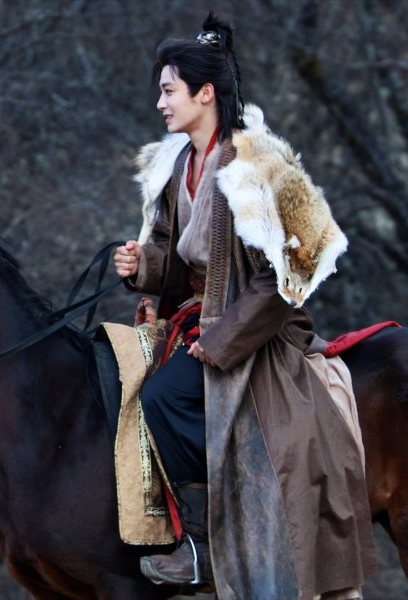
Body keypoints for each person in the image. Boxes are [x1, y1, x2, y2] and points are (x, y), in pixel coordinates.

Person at [114, 12, 377, 599]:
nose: (160, 103)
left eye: (169, 90)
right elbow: (177, 257)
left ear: (205, 93)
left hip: (256, 330)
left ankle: (203, 545)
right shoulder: (177, 165)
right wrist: (141, 266)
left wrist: (222, 341)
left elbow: (286, 277)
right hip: (195, 317)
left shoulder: (255, 167)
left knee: (162, 397)